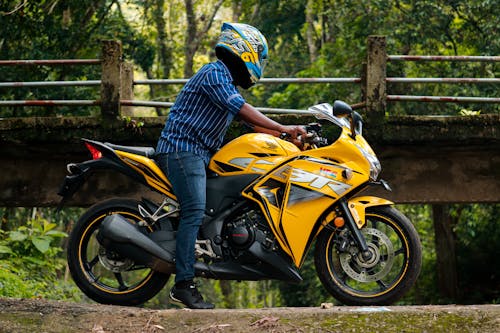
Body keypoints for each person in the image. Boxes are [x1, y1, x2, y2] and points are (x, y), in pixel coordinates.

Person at [155, 22, 305, 309]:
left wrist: (291, 137)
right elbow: (243, 110)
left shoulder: (225, 83)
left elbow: (253, 125)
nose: (259, 62)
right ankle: (183, 285)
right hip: (182, 151)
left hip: (200, 155)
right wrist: (285, 127)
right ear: (244, 48)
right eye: (259, 55)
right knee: (194, 212)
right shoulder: (213, 74)